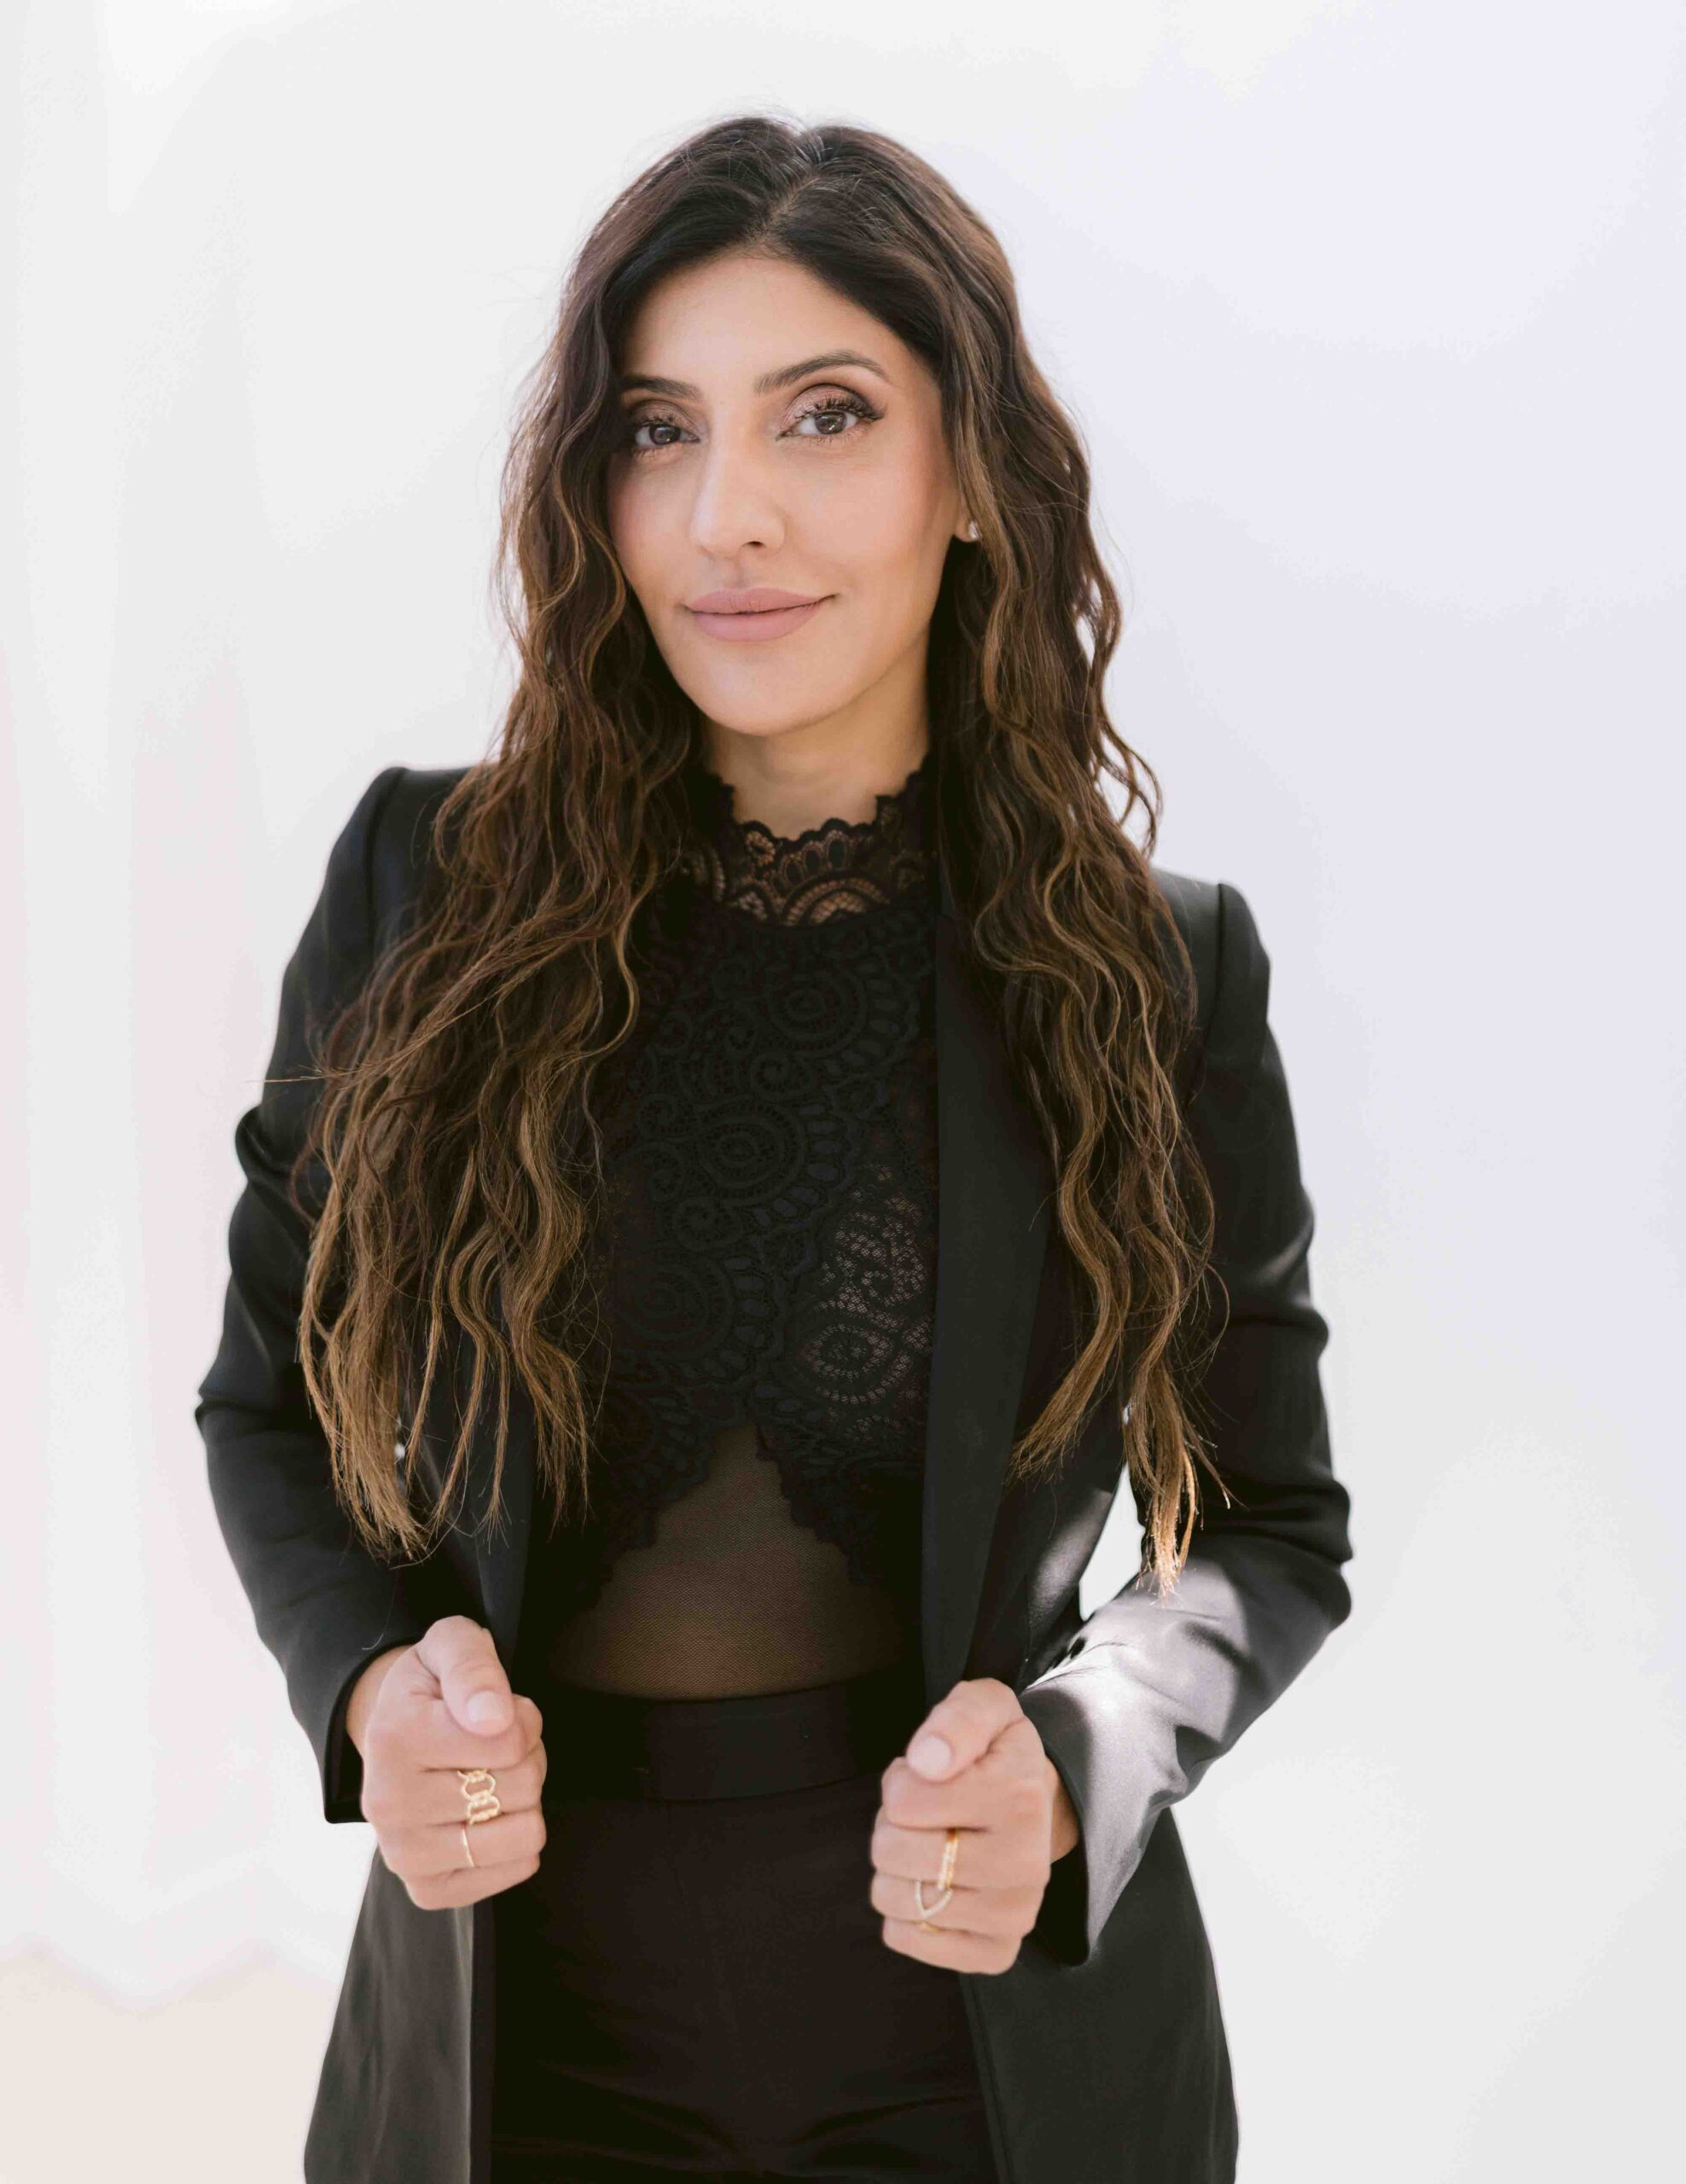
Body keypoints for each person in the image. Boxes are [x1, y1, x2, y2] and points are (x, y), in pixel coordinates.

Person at [197, 113, 1354, 2184]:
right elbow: (266, 1398)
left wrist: (1087, 1745)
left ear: (971, 472)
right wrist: (370, 1685)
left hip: (982, 2038)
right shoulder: (421, 891)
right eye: (659, 430)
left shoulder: (1153, 972)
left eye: (825, 415)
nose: (728, 514)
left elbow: (1265, 1518)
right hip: (514, 2037)